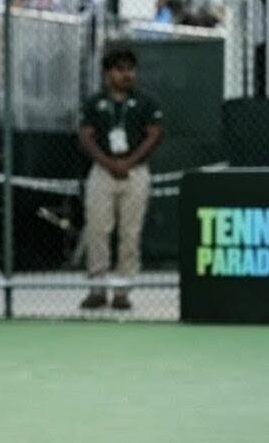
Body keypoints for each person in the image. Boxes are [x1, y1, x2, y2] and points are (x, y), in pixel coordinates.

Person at [77, 47, 162, 310]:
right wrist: (108, 162)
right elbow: (86, 136)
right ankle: (97, 288)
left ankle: (123, 290)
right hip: (102, 171)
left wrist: (129, 161)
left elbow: (154, 134)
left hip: (135, 171)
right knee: (97, 229)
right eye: (120, 69)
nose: (127, 75)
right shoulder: (94, 103)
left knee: (130, 231)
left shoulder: (147, 102)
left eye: (131, 69)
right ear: (107, 74)